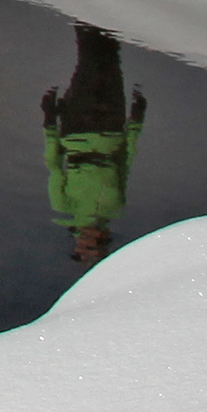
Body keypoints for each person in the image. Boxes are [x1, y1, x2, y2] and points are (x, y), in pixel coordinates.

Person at [42, 24, 145, 266]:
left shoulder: (64, 205)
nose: (96, 240)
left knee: (89, 63)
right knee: (110, 62)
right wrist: (136, 124)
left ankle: (85, 14)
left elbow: (53, 163)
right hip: (111, 126)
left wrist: (49, 122)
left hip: (77, 127)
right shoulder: (115, 208)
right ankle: (104, 13)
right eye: (100, 244)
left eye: (87, 247)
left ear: (77, 241)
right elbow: (125, 161)